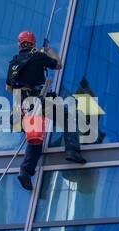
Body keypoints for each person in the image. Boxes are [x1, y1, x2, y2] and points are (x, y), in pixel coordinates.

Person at [6, 31, 86, 191]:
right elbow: (58, 65)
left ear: (19, 44)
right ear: (33, 44)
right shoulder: (38, 56)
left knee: (35, 139)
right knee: (67, 119)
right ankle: (72, 151)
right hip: (38, 101)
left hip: (23, 105)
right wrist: (48, 50)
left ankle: (26, 172)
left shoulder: (14, 63)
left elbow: (8, 87)